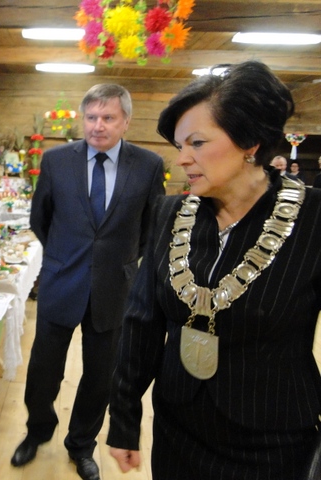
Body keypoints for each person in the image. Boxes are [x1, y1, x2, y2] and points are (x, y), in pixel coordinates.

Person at [107, 61, 321, 479]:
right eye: (179, 145)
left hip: (271, 440)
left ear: (250, 142)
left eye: (197, 143)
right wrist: (124, 419)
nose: (182, 159)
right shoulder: (170, 212)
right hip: (177, 429)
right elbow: (141, 323)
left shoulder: (313, 219)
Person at [11, 84, 165, 480]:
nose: (98, 125)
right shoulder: (56, 160)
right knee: (44, 370)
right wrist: (64, 255)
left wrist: (123, 261)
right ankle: (36, 431)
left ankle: (81, 445)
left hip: (115, 288)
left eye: (108, 117)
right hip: (61, 280)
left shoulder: (148, 165)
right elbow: (40, 218)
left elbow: (152, 227)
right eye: (92, 117)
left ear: (126, 121)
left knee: (101, 377)